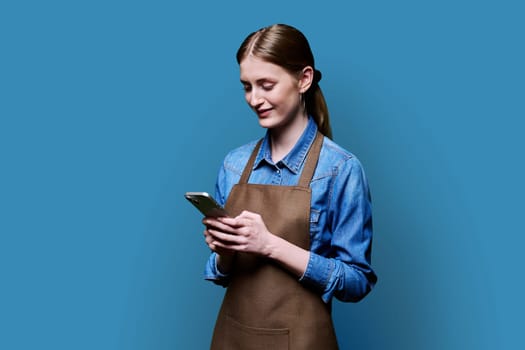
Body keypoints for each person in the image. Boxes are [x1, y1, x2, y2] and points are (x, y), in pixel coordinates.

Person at [202, 23, 377, 349]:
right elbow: (218, 273)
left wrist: (269, 244)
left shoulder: (340, 169)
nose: (255, 99)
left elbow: (357, 282)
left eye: (266, 85)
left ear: (304, 79)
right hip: (233, 338)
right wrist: (225, 253)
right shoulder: (234, 165)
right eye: (247, 87)